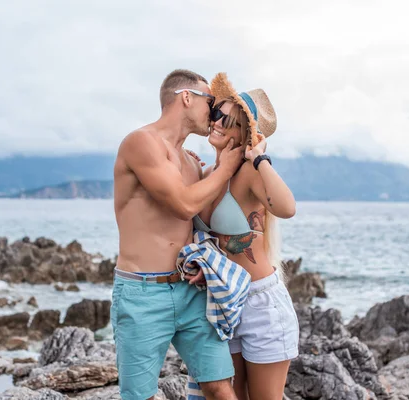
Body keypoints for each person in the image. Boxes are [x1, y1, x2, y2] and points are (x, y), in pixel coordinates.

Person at [112, 69, 244, 400]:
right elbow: (184, 205)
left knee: (218, 386)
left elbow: (202, 217)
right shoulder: (141, 143)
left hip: (189, 289)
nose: (214, 115)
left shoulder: (189, 161)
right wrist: (225, 167)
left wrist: (223, 160)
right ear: (186, 97)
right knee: (139, 396)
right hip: (143, 293)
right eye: (211, 104)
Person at [192, 73, 299, 399]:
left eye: (230, 120)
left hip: (260, 305)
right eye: (216, 113)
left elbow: (287, 207)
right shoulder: (205, 175)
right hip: (222, 304)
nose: (218, 123)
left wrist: (260, 158)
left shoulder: (251, 172)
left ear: (246, 134)